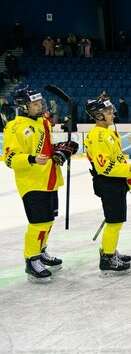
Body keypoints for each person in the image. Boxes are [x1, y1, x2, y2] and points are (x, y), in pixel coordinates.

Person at [4, 87, 78, 282]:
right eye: (35, 103)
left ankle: (41, 250)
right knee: (38, 223)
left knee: (49, 220)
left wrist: (60, 150)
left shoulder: (43, 122)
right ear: (23, 106)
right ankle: (31, 259)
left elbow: (46, 147)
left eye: (39, 102)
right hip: (32, 182)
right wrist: (31, 158)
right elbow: (10, 158)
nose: (40, 106)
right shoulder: (15, 126)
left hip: (50, 180)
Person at [85, 98, 131, 274]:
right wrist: (128, 168)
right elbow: (105, 167)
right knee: (114, 222)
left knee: (115, 221)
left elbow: (113, 161)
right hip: (109, 182)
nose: (113, 114)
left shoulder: (106, 133)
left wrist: (126, 170)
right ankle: (108, 258)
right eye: (109, 112)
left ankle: (110, 251)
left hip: (114, 181)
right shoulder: (100, 136)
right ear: (97, 115)